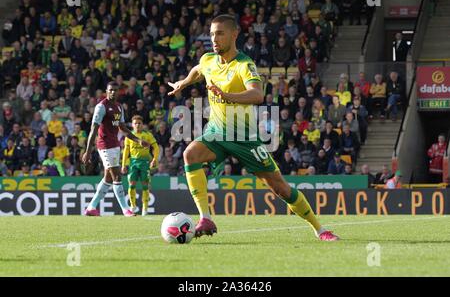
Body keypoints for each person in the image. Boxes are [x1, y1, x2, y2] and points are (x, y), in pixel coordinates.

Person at [167, 15, 338, 241]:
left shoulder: (244, 65)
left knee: (281, 189)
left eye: (219, 33)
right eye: (211, 34)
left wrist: (225, 95)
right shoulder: (209, 59)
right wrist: (184, 82)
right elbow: (199, 70)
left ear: (234, 34)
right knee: (190, 154)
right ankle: (205, 217)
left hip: (244, 138)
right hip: (217, 132)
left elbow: (257, 95)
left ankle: (320, 229)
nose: (214, 39)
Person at [82, 82, 151, 217]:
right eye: (110, 90)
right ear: (106, 92)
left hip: (115, 145)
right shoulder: (101, 107)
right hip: (104, 145)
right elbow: (93, 130)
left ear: (119, 92)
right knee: (117, 176)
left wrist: (138, 140)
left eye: (115, 90)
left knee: (108, 178)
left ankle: (91, 207)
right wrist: (88, 151)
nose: (113, 92)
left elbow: (123, 129)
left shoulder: (119, 107)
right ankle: (126, 209)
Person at [121, 115, 160, 216]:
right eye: (135, 123)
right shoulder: (129, 136)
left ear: (142, 125)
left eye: (139, 123)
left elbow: (156, 147)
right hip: (133, 162)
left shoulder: (148, 135)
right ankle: (133, 206)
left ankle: (145, 208)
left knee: (145, 186)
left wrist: (155, 159)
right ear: (132, 125)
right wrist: (123, 164)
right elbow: (126, 150)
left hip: (144, 163)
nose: (137, 125)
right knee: (131, 184)